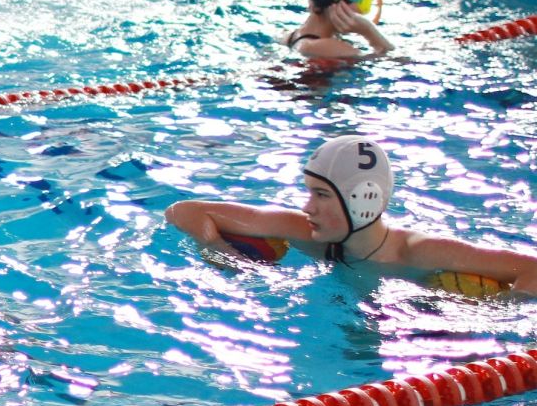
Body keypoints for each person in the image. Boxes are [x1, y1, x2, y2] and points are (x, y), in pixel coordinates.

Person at [164, 135, 537, 294]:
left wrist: (499, 307)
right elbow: (183, 211)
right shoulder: (309, 234)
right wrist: (215, 247)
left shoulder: (417, 253)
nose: (308, 206)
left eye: (322, 195)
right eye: (310, 192)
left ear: (362, 200)